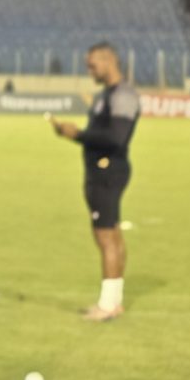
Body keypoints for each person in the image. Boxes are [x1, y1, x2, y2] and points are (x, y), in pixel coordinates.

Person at [49, 42, 139, 322]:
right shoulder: (106, 95)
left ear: (108, 60)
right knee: (111, 234)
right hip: (102, 172)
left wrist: (77, 134)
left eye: (92, 65)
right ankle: (114, 301)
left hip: (108, 173)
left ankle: (108, 305)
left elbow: (116, 138)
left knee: (106, 236)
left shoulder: (123, 95)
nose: (90, 70)